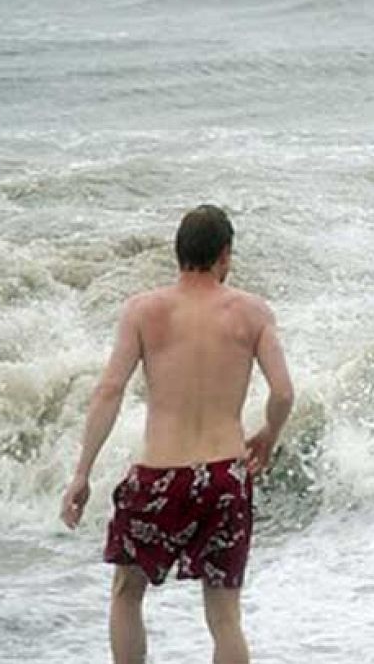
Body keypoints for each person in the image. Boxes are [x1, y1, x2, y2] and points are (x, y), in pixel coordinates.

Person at [59, 205, 295, 664]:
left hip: (158, 477)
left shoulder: (143, 311)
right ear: (224, 255)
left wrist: (81, 474)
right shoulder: (252, 311)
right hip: (225, 477)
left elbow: (109, 390)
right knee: (225, 617)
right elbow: (283, 391)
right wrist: (269, 432)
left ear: (178, 253)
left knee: (128, 593)